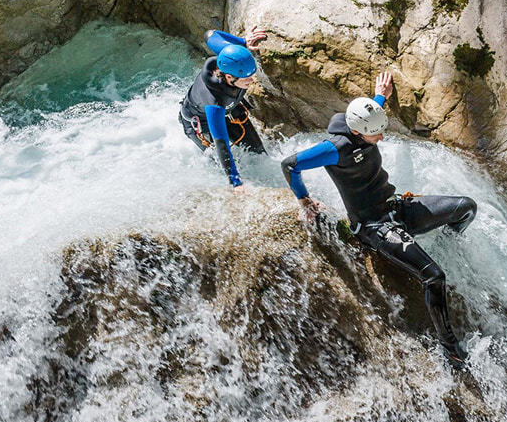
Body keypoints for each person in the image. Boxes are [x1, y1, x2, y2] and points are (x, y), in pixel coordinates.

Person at [280, 71, 478, 368]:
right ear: (358, 133)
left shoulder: (362, 124)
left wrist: (379, 95)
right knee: (434, 276)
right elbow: (290, 164)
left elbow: (368, 116)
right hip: (375, 226)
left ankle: (445, 246)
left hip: (396, 208)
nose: (382, 138)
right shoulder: (334, 149)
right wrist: (304, 199)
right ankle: (449, 347)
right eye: (376, 134)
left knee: (466, 206)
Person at [179, 28, 269, 187]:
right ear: (229, 77)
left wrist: (243, 42)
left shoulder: (230, 57)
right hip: (201, 123)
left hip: (231, 110)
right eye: (246, 78)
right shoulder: (213, 101)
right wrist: (236, 183)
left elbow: (209, 34)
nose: (251, 81)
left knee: (259, 155)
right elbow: (221, 143)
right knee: (219, 166)